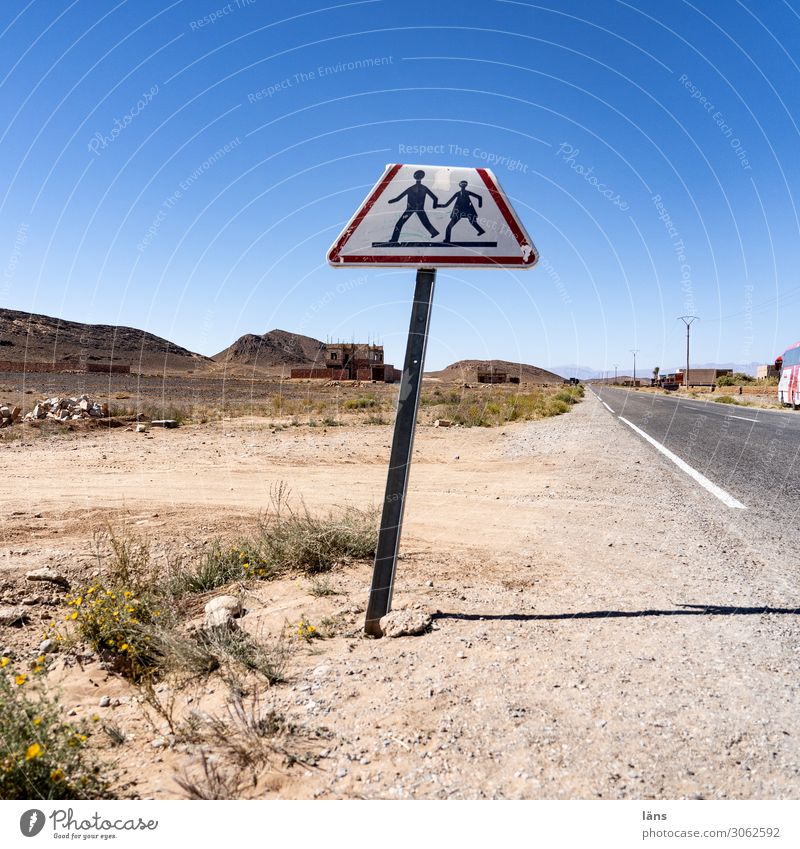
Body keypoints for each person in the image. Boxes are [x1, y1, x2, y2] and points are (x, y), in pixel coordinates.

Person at [386, 170, 439, 242]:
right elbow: (435, 198)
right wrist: (434, 206)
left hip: (410, 209)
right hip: (419, 209)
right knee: (425, 222)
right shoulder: (424, 188)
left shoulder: (411, 188)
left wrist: (390, 201)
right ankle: (434, 232)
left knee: (399, 224)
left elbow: (398, 198)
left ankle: (394, 240)